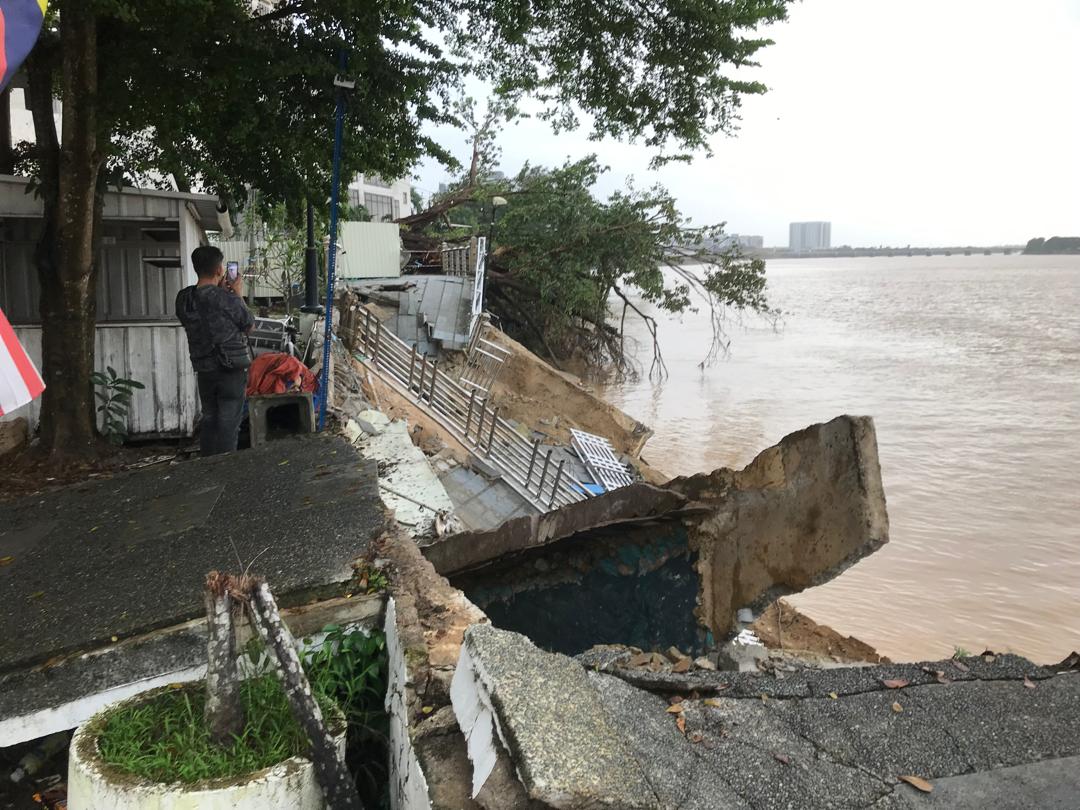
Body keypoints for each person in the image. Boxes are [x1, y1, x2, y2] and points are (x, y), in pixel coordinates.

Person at [176, 246, 254, 456]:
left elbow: (204, 313)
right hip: (230, 368)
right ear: (220, 269)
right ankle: (226, 471)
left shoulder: (184, 299)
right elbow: (248, 324)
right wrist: (237, 295)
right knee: (229, 423)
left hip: (203, 368)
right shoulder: (225, 299)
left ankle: (207, 467)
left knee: (210, 417)